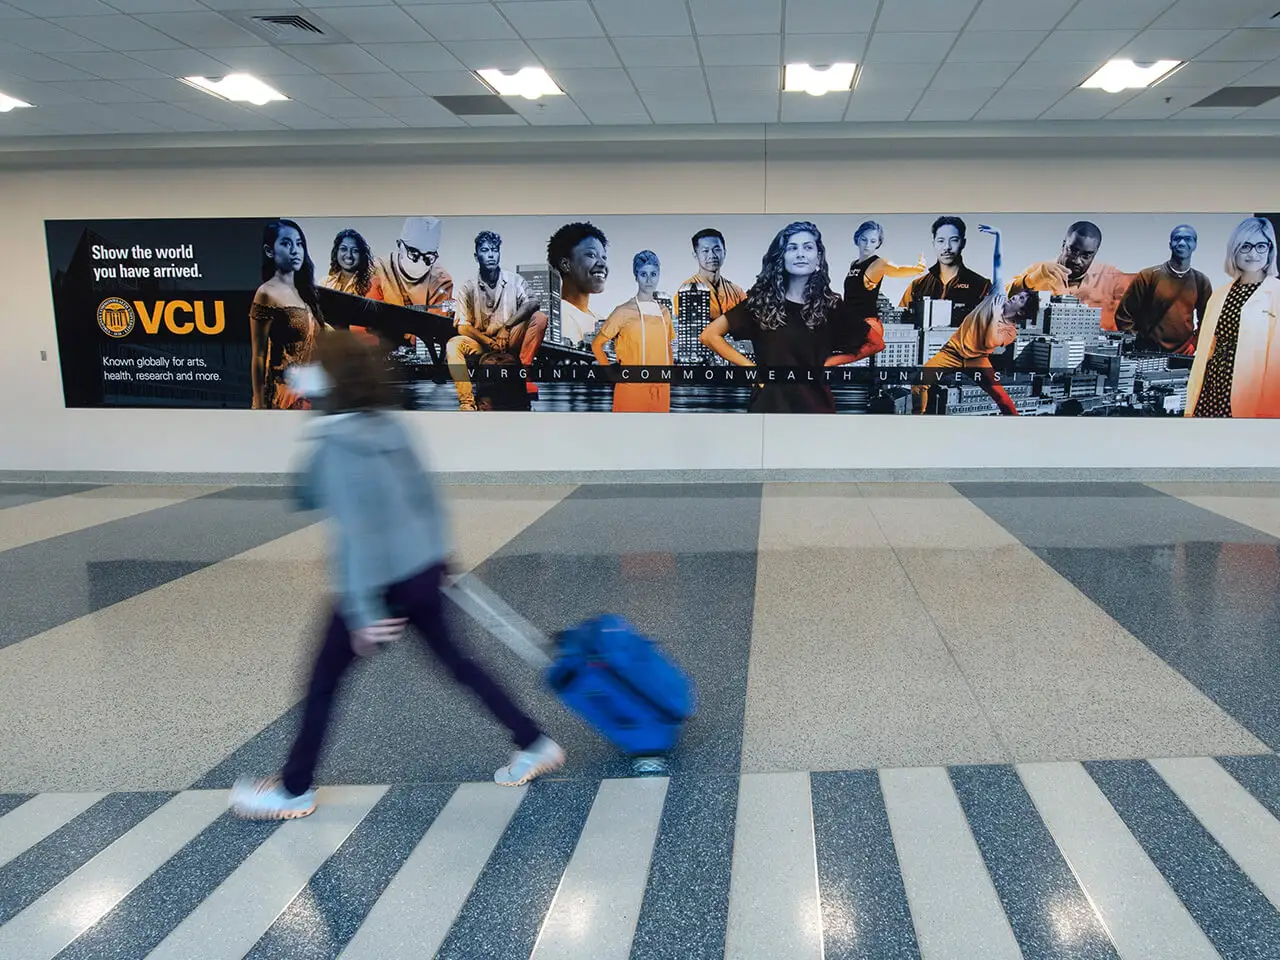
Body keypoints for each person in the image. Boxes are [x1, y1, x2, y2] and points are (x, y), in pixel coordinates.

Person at [229, 330, 565, 820]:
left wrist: (363, 613)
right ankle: (534, 742)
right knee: (460, 663)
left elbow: (351, 528)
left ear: (327, 378)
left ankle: (294, 788)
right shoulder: (388, 425)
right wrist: (437, 560)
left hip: (380, 585)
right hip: (422, 570)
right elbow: (423, 496)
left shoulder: (335, 442)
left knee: (323, 680)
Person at [699, 220, 882, 413]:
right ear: (782, 256)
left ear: (818, 257)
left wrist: (831, 362)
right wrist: (750, 369)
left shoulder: (832, 305)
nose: (800, 254)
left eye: (808, 247)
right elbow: (709, 335)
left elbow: (876, 343)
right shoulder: (761, 302)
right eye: (792, 248)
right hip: (768, 408)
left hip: (816, 408)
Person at [915, 224, 1039, 416]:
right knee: (919, 381)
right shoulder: (998, 294)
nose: (1015, 296)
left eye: (1021, 299)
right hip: (952, 352)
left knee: (1002, 398)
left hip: (978, 360)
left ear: (1022, 313)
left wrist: (996, 313)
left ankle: (1015, 423)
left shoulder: (1010, 332)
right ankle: (918, 418)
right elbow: (998, 262)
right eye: (1019, 294)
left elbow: (989, 340)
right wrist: (998, 235)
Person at [1186, 217, 1280, 419]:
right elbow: (1205, 351)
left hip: (1252, 391)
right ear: (1234, 251)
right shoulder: (1219, 294)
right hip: (1212, 385)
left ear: (1270, 250)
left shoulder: (1277, 294)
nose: (1253, 253)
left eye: (1261, 246)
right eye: (1245, 246)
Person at [446, 231, 546, 411]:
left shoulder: (515, 281)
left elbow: (533, 303)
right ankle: (467, 402)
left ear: (499, 253)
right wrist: (487, 341)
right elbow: (462, 326)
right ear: (476, 256)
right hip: (480, 343)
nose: (491, 255)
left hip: (510, 338)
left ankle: (524, 372)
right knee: (453, 344)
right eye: (485, 250)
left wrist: (507, 327)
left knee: (539, 318)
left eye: (495, 250)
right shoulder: (468, 288)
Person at [250, 219, 328, 410]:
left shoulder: (305, 294)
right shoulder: (266, 293)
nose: (295, 250)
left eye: (299, 244)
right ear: (270, 251)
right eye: (286, 243)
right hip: (283, 397)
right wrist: (258, 403)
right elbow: (259, 355)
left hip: (309, 395)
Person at [593, 250, 676, 413]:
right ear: (636, 276)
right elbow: (597, 345)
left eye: (653, 274)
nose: (649, 279)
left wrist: (670, 374)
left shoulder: (665, 313)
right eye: (643, 274)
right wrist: (611, 375)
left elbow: (667, 347)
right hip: (631, 390)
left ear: (659, 276)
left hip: (661, 390)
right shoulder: (623, 311)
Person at [1009, 221, 1132, 331]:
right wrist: (1030, 280)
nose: (1077, 260)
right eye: (1072, 250)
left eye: (1086, 255)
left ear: (1095, 254)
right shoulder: (1038, 270)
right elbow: (1000, 300)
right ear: (1063, 245)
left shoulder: (1112, 280)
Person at [1114, 225, 1212, 354]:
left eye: (1188, 239)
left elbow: (1207, 320)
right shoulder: (1148, 276)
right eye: (1177, 239)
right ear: (1170, 244)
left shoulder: (1201, 281)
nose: (1182, 243)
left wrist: (1194, 344)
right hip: (1148, 354)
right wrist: (1138, 344)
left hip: (1183, 354)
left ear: (1195, 245)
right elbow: (1124, 316)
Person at [371, 217, 454, 350]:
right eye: (414, 254)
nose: (421, 262)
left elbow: (437, 325)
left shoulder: (441, 280)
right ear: (399, 245)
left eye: (428, 257)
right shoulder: (378, 269)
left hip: (420, 346)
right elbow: (370, 317)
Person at [900, 216, 992, 327]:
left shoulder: (982, 286)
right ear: (934, 243)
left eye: (954, 240)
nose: (947, 247)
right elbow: (902, 323)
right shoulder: (917, 286)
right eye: (941, 241)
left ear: (963, 243)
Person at [844, 220, 928, 325]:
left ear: (878, 243)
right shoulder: (854, 264)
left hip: (867, 324)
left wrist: (918, 268)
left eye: (873, 241)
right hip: (850, 322)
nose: (867, 245)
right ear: (857, 239)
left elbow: (898, 270)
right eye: (864, 239)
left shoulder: (879, 263)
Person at [548, 221, 609, 346]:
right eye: (591, 255)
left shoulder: (599, 319)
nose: (602, 263)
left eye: (604, 257)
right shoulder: (559, 317)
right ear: (566, 265)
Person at [673, 228, 747, 321]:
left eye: (717, 250)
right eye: (705, 251)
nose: (712, 255)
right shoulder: (686, 292)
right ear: (695, 255)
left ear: (724, 252)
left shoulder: (736, 292)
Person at [322, 228, 383, 300]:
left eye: (355, 251)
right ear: (336, 252)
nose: (349, 255)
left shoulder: (372, 284)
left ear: (361, 255)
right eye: (343, 249)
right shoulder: (325, 283)